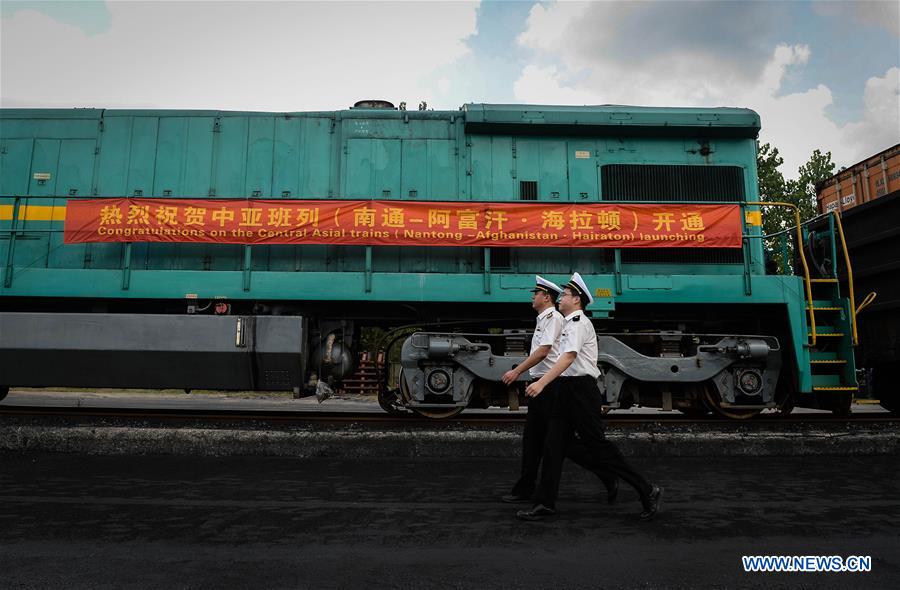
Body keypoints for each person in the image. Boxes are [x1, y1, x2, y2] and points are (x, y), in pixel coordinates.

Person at [517, 272, 663, 522]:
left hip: (581, 392)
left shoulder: (578, 323)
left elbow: (568, 358)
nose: (560, 297)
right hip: (566, 390)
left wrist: (541, 382)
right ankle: (545, 503)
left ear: (576, 299)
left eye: (564, 294)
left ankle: (647, 489)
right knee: (553, 448)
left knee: (599, 448)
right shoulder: (568, 323)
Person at [500, 276, 618, 505]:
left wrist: (522, 373)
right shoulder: (545, 318)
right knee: (534, 440)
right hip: (543, 383)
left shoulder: (554, 318)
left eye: (536, 293)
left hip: (551, 385)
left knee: (560, 444)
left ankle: (607, 473)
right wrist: (534, 377)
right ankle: (526, 489)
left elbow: (546, 352)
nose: (532, 296)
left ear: (546, 296)